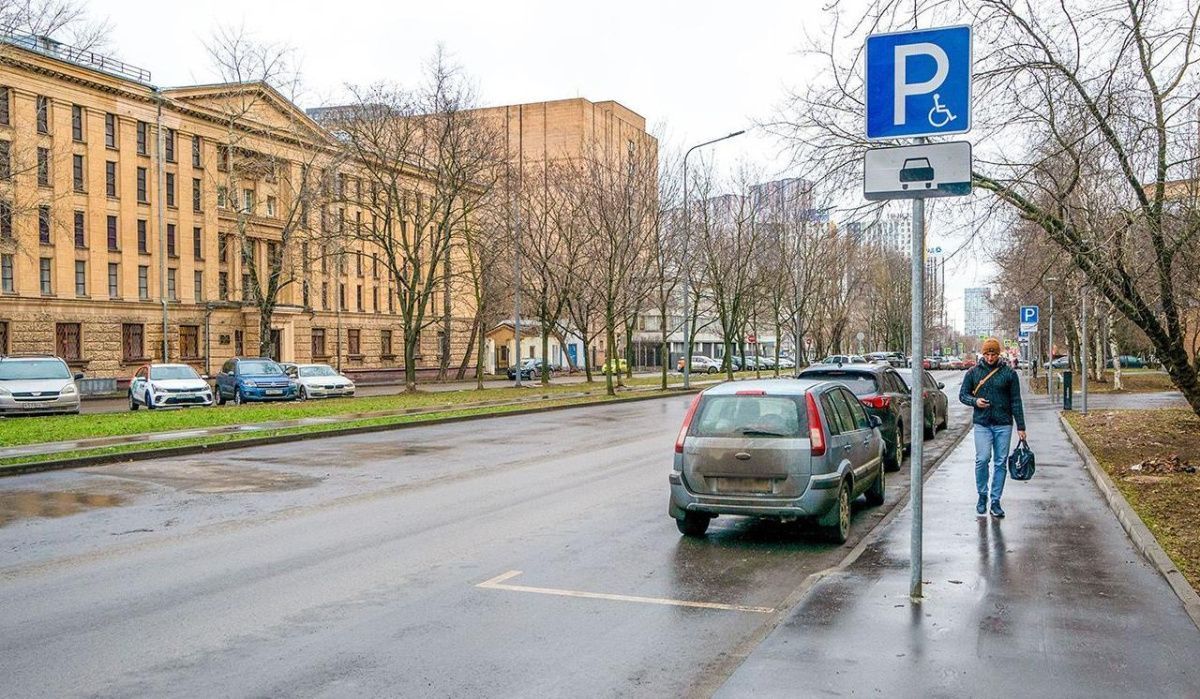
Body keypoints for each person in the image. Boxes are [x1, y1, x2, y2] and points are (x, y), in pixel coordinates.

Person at [959, 337, 1026, 518]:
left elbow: (1016, 401)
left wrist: (1021, 427)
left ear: (998, 354)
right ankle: (982, 495)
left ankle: (995, 500)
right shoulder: (973, 373)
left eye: (993, 354)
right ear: (983, 354)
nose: (990, 358)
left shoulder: (1009, 374)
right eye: (987, 354)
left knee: (1000, 462)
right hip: (982, 424)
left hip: (1003, 424)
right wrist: (975, 401)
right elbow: (963, 395)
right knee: (982, 459)